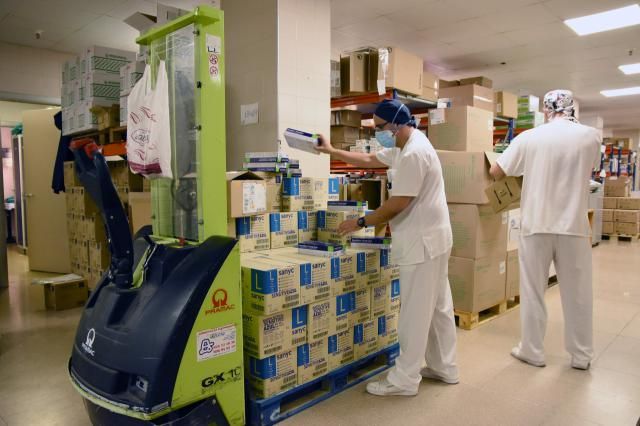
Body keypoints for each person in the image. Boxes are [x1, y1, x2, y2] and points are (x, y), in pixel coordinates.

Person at [315, 99, 458, 396]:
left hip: (422, 243)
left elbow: (398, 203)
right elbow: (369, 160)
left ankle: (404, 380)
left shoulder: (414, 153)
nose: (377, 134)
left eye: (380, 128)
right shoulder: (407, 145)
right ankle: (445, 367)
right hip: (435, 239)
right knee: (439, 307)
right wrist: (331, 151)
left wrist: (360, 221)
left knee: (415, 313)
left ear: (395, 124)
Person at [489, 90, 601, 370]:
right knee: (578, 293)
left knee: (533, 290)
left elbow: (496, 172)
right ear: (571, 108)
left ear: (547, 110)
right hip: (573, 226)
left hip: (536, 224)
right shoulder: (590, 136)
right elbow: (589, 169)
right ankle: (581, 356)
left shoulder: (529, 137)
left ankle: (533, 350)